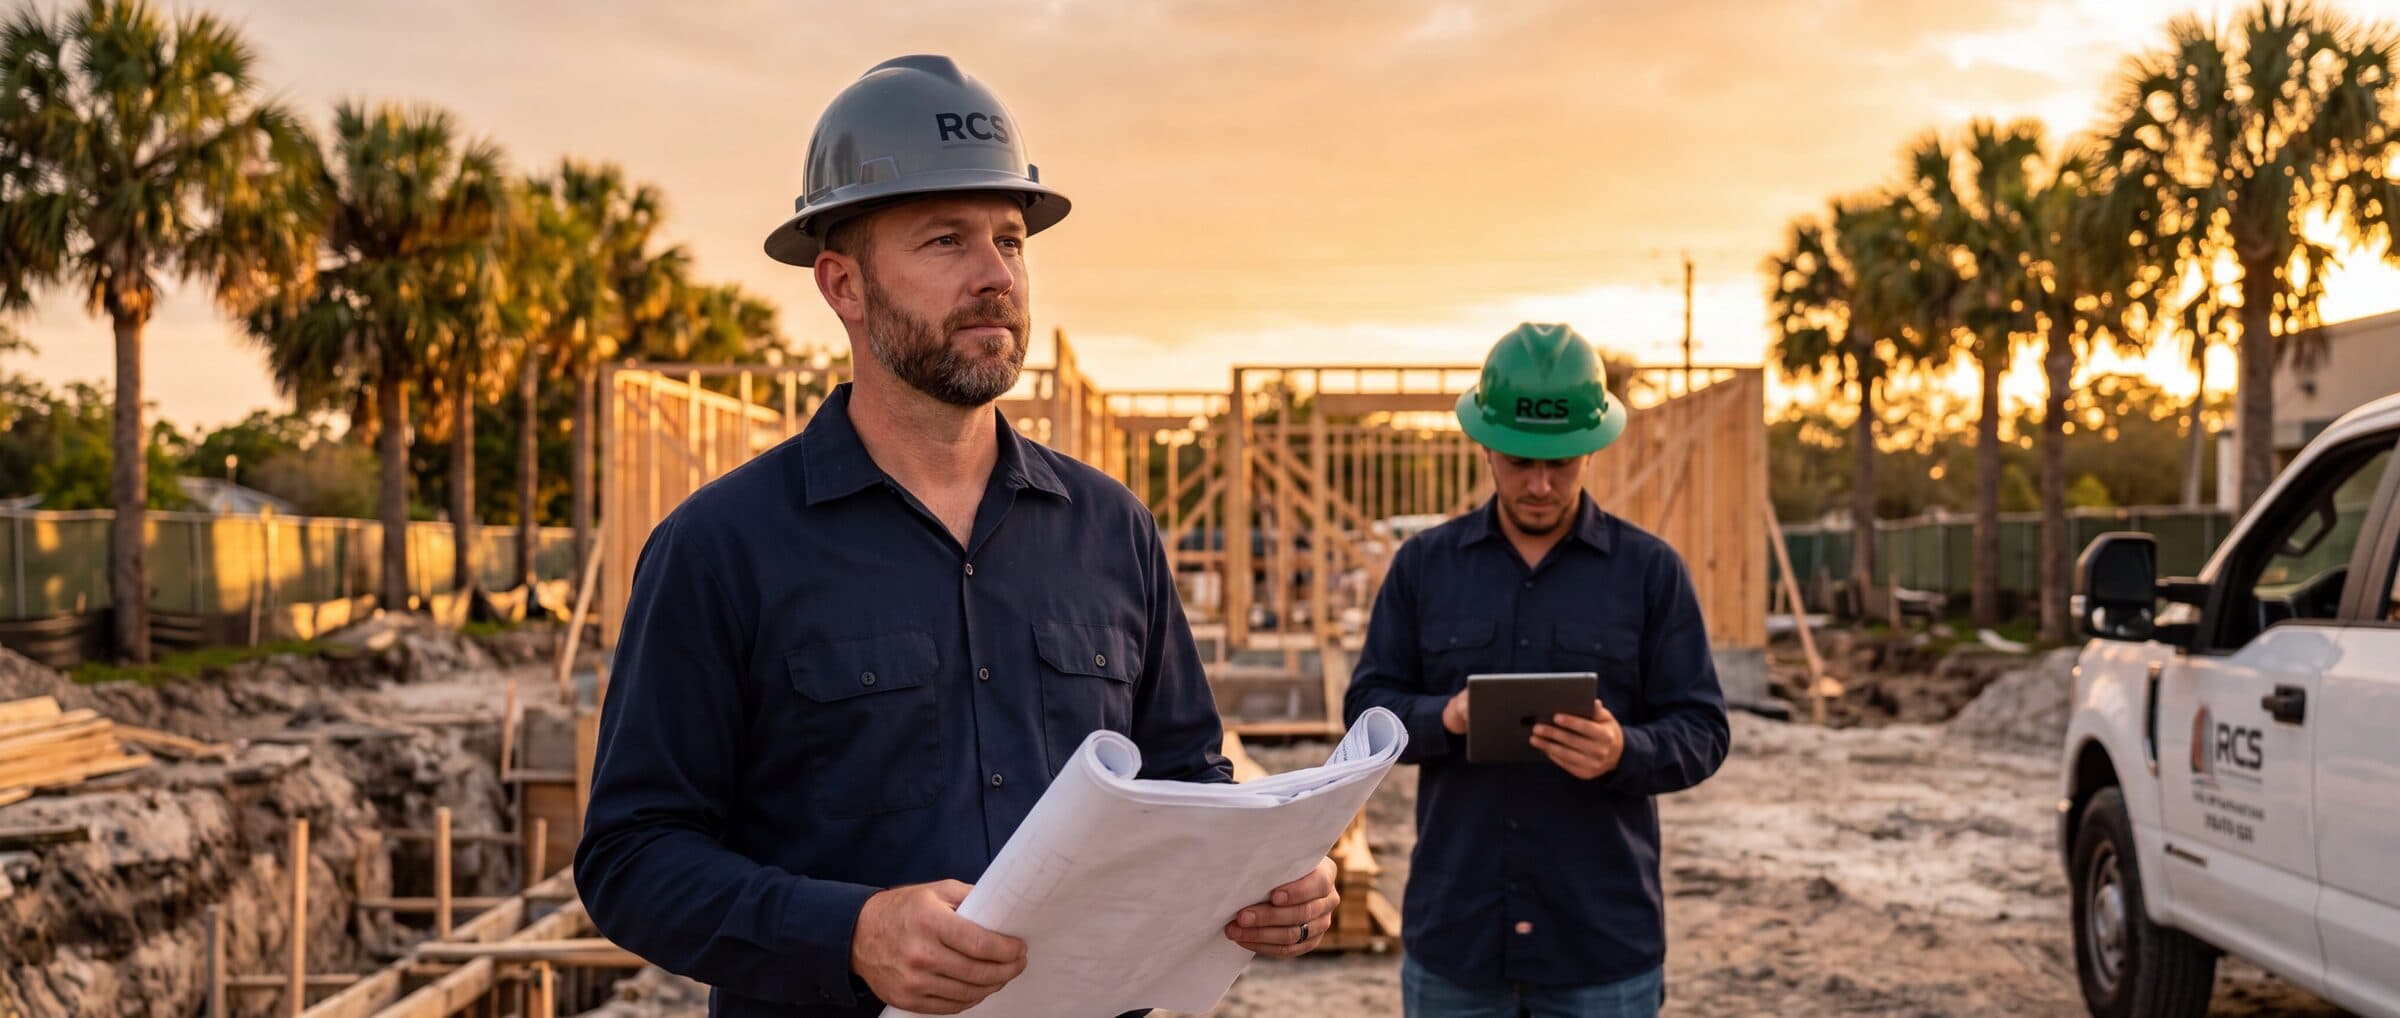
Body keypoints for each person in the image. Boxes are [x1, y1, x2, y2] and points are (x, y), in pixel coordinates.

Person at [576, 55, 1338, 1017]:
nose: (996, 276)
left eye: (1010, 241)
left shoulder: (1112, 531)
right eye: (946, 240)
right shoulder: (721, 548)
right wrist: (851, 932)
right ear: (844, 286)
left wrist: (1268, 881)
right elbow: (633, 858)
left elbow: (1188, 783)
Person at [1343, 323, 1731, 1018]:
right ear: (1486, 446)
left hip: (1599, 943)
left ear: (1591, 449)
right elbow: (1367, 710)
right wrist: (1444, 717)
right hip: (1460, 938)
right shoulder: (1425, 568)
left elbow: (1703, 729)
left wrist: (1623, 750)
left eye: (1562, 462)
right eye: (1521, 462)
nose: (1542, 484)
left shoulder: (1649, 573)